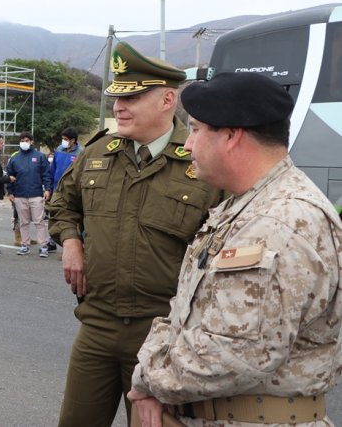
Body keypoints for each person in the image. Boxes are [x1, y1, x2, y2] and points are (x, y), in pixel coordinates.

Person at [128, 72, 342, 427]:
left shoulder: (279, 222)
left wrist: (148, 380)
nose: (187, 145)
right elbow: (182, 314)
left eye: (196, 129)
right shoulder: (244, 207)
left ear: (230, 136)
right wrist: (152, 374)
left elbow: (234, 351)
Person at [48, 41, 223, 427]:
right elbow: (62, 204)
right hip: (96, 325)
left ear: (166, 100)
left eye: (133, 97)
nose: (118, 107)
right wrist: (71, 242)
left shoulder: (202, 162)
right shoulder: (97, 153)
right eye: (116, 98)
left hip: (164, 333)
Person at [7, 132, 52, 257]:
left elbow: (46, 175)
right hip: (19, 195)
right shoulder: (15, 158)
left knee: (39, 222)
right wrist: (10, 192)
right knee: (23, 222)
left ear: (32, 141)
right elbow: (9, 176)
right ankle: (24, 245)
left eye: (26, 140)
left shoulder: (40, 156)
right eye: (22, 140)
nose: (24, 142)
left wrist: (47, 189)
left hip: (36, 194)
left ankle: (43, 246)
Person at [46, 127, 83, 252]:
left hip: (71, 192)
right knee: (54, 215)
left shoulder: (81, 153)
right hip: (57, 190)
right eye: (62, 139)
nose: (63, 141)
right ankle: (52, 240)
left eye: (66, 139)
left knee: (70, 219)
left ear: (73, 140)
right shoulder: (59, 150)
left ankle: (73, 245)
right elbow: (52, 171)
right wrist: (49, 189)